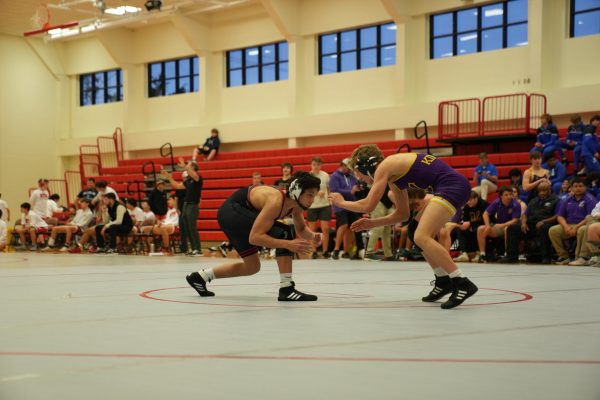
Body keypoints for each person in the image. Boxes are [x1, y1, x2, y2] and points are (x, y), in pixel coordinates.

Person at [329, 145, 478, 309]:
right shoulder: (394, 177)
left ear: (365, 166)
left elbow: (368, 205)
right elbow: (402, 215)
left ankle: (461, 281)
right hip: (451, 187)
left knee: (422, 236)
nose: (363, 181)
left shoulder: (385, 166)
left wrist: (341, 203)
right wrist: (373, 223)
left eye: (360, 176)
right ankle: (442, 281)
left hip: (452, 187)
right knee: (414, 230)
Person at [185, 171, 322, 302]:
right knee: (284, 233)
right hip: (232, 211)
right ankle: (287, 289)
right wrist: (287, 244)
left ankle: (199, 277)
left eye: (314, 196)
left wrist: (313, 236)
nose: (312, 200)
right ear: (297, 191)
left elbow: (302, 229)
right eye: (310, 195)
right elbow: (255, 237)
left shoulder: (295, 205)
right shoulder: (275, 201)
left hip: (237, 214)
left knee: (252, 267)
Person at [499, 181, 558, 264]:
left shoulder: (556, 200)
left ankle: (546, 256)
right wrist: (523, 223)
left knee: (544, 228)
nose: (541, 193)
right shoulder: (533, 201)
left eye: (544, 190)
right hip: (531, 224)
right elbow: (525, 215)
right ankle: (511, 255)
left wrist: (543, 221)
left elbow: (557, 216)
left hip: (547, 223)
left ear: (550, 190)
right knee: (512, 228)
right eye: (540, 191)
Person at [549, 177, 596, 264]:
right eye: (575, 186)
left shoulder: (590, 199)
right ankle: (563, 257)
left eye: (580, 186)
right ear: (571, 188)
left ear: (585, 187)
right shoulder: (567, 199)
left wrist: (576, 227)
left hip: (583, 224)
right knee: (553, 230)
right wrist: (565, 226)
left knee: (582, 230)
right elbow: (560, 216)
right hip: (569, 225)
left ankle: (582, 257)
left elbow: (590, 217)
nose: (578, 188)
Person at [162, 158, 203, 256]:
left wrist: (185, 166)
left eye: (189, 166)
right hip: (185, 205)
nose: (187, 167)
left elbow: (193, 174)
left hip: (193, 205)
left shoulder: (198, 178)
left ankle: (198, 249)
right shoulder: (188, 181)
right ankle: (193, 249)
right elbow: (177, 186)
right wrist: (169, 178)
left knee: (192, 227)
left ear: (193, 168)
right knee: (187, 227)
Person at [476, 186, 521, 263]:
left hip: (513, 228)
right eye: (506, 195)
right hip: (500, 227)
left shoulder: (516, 204)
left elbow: (515, 220)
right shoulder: (497, 202)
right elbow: (485, 214)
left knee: (508, 229)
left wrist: (502, 225)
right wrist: (487, 226)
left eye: (510, 194)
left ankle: (508, 254)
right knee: (481, 229)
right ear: (501, 196)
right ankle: (482, 254)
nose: (509, 196)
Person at [329, 158, 360, 260]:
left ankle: (346, 251)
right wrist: (350, 191)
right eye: (348, 167)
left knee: (351, 227)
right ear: (342, 165)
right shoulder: (334, 176)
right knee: (343, 225)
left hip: (351, 203)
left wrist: (358, 189)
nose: (350, 169)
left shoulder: (351, 176)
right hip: (339, 204)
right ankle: (336, 250)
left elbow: (356, 187)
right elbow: (335, 190)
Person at [307, 156, 332, 259]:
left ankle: (325, 251)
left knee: (325, 228)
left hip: (325, 205)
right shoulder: (308, 176)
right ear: (311, 165)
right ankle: (314, 251)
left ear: (321, 165)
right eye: (314, 164)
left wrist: (330, 199)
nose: (316, 166)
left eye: (318, 164)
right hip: (312, 205)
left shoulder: (325, 175)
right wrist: (317, 193)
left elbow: (329, 189)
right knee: (312, 230)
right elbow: (306, 191)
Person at [453, 191, 488, 262]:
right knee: (459, 229)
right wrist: (463, 224)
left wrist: (470, 223)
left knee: (479, 229)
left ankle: (479, 254)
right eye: (467, 200)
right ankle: (463, 253)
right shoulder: (467, 206)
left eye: (470, 200)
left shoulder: (484, 204)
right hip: (472, 227)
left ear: (476, 198)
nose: (468, 202)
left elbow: (485, 220)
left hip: (483, 226)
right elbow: (465, 220)